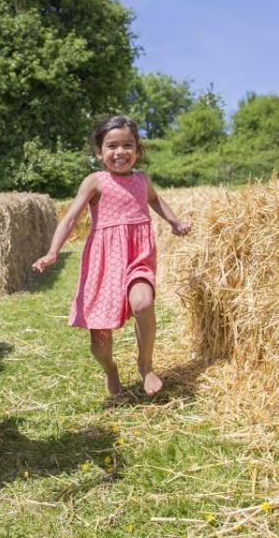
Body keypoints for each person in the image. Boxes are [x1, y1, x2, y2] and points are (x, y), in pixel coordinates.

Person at [32, 115, 190, 397]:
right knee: (100, 339)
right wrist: (52, 252)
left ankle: (145, 365)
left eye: (128, 145)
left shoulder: (142, 180)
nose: (120, 152)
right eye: (112, 146)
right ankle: (110, 369)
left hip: (138, 256)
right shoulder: (95, 181)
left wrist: (174, 221)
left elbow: (153, 199)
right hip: (104, 264)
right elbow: (70, 219)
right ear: (99, 152)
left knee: (143, 303)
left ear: (138, 150)